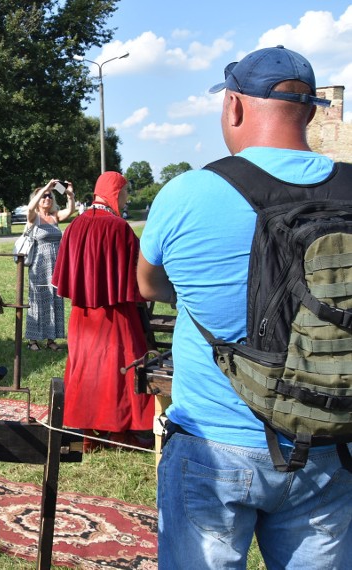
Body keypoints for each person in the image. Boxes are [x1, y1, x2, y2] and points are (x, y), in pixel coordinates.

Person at [137, 46, 351, 569]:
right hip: (329, 442)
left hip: (215, 445)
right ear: (312, 110)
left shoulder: (189, 191)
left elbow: (148, 285)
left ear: (233, 106)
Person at [52, 172, 153, 450]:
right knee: (121, 366)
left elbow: (65, 272)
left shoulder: (74, 226)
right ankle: (121, 430)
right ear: (115, 192)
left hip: (83, 315)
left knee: (86, 367)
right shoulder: (119, 228)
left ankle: (88, 433)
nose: (127, 198)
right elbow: (138, 274)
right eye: (125, 193)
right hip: (117, 314)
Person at [24, 179, 75, 351]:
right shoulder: (34, 218)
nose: (48, 198)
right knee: (38, 300)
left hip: (56, 265)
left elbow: (71, 210)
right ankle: (33, 340)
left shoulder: (54, 217)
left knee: (55, 300)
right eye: (45, 196)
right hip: (39, 266)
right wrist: (46, 187)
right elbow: (30, 207)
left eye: (50, 196)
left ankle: (51, 339)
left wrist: (70, 195)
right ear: (38, 198)